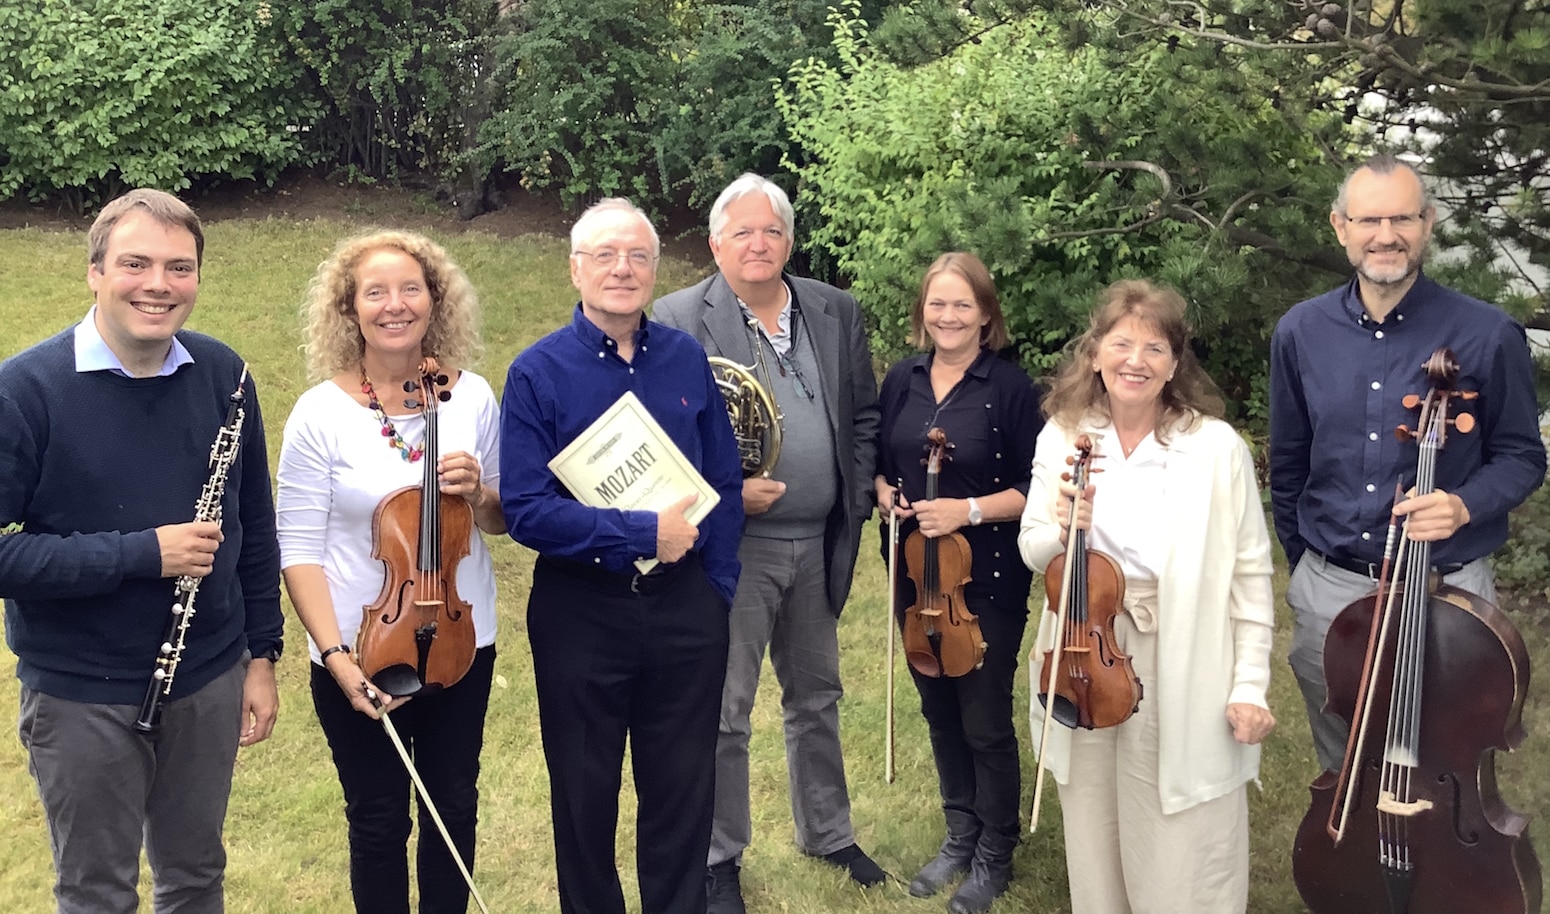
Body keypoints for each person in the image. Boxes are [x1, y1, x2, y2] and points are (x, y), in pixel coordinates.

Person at [0, 188, 284, 914]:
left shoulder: (224, 374)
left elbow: (253, 524)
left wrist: (260, 656)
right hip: (81, 694)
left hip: (209, 675)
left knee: (196, 878)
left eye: (179, 268)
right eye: (136, 263)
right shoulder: (24, 391)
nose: (158, 284)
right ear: (95, 271)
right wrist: (141, 554)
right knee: (97, 893)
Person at [500, 198, 745, 914]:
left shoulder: (686, 358)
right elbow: (525, 509)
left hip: (686, 606)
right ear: (575, 269)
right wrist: (640, 534)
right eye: (605, 255)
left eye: (638, 256)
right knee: (584, 794)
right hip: (581, 613)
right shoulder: (537, 372)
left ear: (655, 269)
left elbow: (724, 481)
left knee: (682, 790)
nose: (622, 269)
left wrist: (717, 586)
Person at [1270, 155, 1547, 774]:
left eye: (1402, 218)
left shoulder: (1487, 333)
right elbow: (1288, 464)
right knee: (1344, 768)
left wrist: (1464, 505)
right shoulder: (1300, 332)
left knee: (1451, 770)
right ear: (1340, 226)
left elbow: (1523, 456)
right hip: (1332, 589)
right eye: (1369, 220)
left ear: (1428, 222)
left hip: (1447, 591)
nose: (1386, 235)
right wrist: (1307, 567)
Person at [653, 172, 883, 913]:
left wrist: (854, 493)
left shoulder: (833, 308)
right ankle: (719, 855)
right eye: (743, 232)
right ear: (716, 242)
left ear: (789, 240)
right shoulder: (678, 316)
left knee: (817, 696)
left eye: (772, 230)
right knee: (726, 709)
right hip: (736, 549)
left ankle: (829, 832)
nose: (759, 243)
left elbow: (863, 417)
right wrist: (725, 493)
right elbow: (661, 435)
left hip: (819, 540)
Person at [1017, 280, 1276, 914]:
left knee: (1181, 820)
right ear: (1095, 353)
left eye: (1154, 348)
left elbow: (1250, 576)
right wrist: (1062, 530)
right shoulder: (1064, 435)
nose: (1136, 360)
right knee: (1094, 815)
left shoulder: (1216, 448)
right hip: (1084, 646)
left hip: (1181, 644)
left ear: (1174, 363)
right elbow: (1033, 548)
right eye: (1121, 344)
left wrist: (1249, 685)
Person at [275, 230, 504, 914]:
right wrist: (336, 657)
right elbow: (298, 548)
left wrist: (479, 493)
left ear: (435, 301)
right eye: (375, 292)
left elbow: (500, 519)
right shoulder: (321, 413)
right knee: (377, 819)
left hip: (461, 640)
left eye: (411, 289)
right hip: (359, 644)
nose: (394, 305)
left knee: (452, 806)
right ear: (350, 308)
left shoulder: (472, 398)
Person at [873, 253, 1042, 914]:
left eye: (962, 305)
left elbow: (1035, 487)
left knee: (984, 717)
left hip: (986, 577)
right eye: (937, 304)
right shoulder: (902, 379)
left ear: (985, 314)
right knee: (938, 707)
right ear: (923, 311)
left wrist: (967, 510)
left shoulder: (1010, 388)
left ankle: (996, 850)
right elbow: (881, 463)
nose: (948, 316)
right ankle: (960, 834)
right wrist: (884, 492)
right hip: (916, 576)